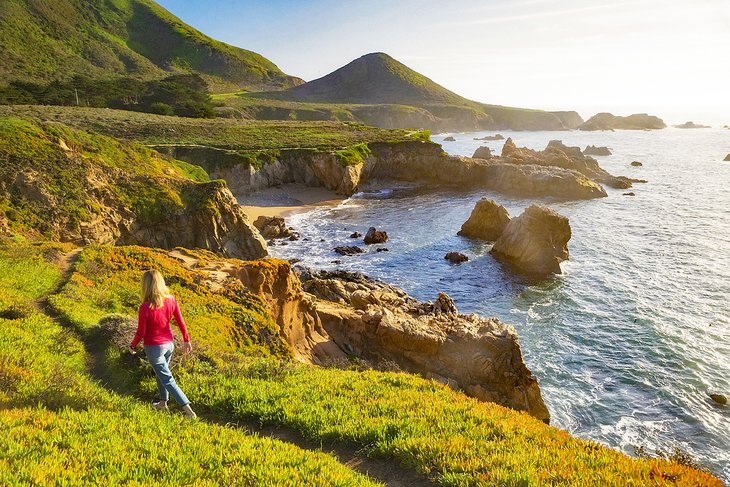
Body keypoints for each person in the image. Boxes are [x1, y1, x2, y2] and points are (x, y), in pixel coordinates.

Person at [130, 269, 197, 419]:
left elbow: (141, 332)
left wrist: (132, 345)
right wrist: (187, 340)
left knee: (167, 379)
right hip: (169, 345)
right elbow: (181, 322)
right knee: (162, 376)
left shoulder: (145, 307)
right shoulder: (171, 300)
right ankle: (162, 403)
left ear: (146, 286)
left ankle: (189, 412)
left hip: (154, 348)